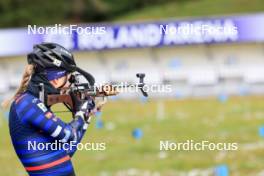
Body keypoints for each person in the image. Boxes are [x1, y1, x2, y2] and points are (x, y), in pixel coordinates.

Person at [2, 43, 98, 176]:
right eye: (68, 77)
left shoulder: (34, 103)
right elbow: (68, 135)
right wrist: (82, 110)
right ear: (56, 78)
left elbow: (65, 152)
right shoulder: (27, 104)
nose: (70, 83)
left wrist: (87, 116)